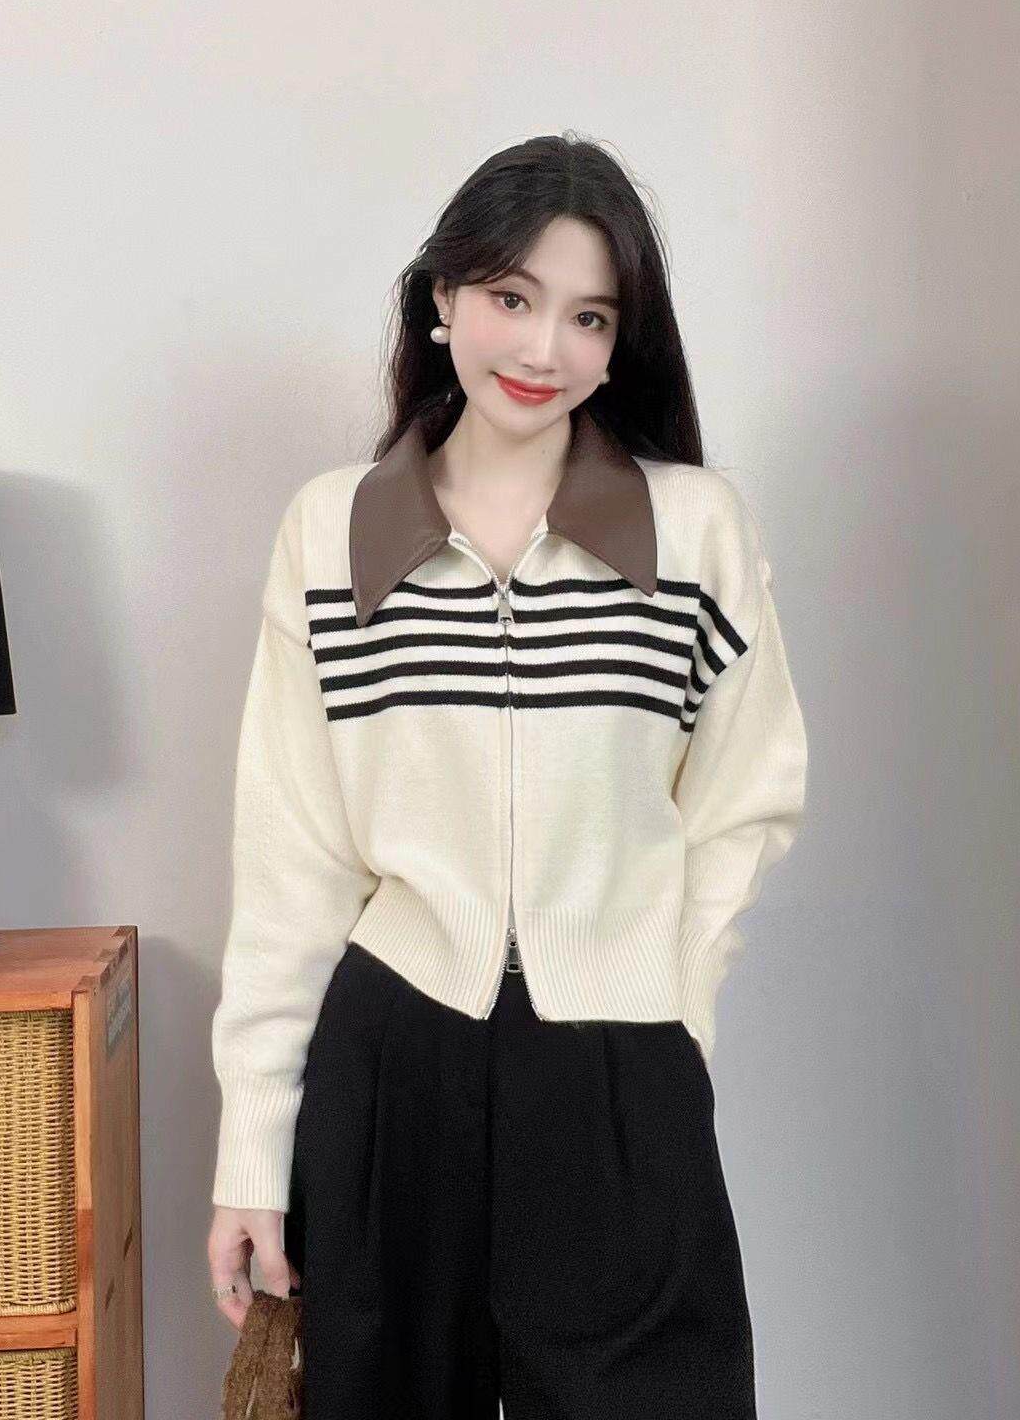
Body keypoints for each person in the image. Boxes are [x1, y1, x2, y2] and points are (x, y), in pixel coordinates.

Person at [206, 131, 809, 1419]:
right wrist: (252, 1153)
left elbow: (744, 801)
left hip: (618, 1068)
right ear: (442, 298)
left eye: (588, 317)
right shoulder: (331, 534)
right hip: (393, 1059)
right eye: (511, 298)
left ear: (622, 341)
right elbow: (292, 858)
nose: (544, 350)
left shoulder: (695, 531)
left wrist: (674, 1003)